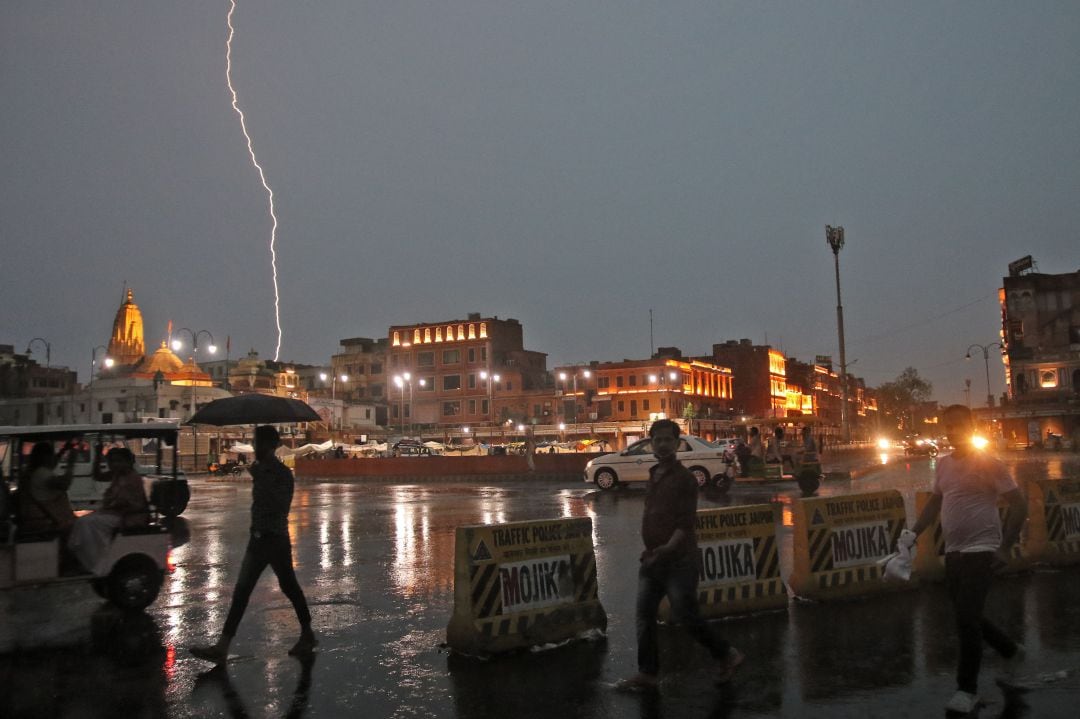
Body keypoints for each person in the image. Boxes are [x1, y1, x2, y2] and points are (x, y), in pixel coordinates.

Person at [903, 404, 1027, 714]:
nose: (952, 431)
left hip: (983, 549)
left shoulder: (989, 463)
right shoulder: (943, 465)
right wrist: (912, 534)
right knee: (965, 614)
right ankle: (1010, 650)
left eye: (959, 425)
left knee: (966, 619)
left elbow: (1019, 505)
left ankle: (966, 689)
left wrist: (1005, 547)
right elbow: (935, 503)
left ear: (972, 427)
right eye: (948, 426)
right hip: (954, 552)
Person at [617, 419, 743, 691]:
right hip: (653, 558)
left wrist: (666, 548)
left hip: (679, 560)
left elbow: (685, 524)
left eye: (667, 439)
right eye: (657, 439)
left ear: (677, 443)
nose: (662, 444)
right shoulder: (654, 473)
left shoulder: (685, 478)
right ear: (651, 443)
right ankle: (648, 673)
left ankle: (726, 654)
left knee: (686, 615)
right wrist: (652, 549)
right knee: (644, 615)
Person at [190, 425, 316, 663]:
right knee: (242, 592)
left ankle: (307, 633)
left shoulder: (280, 473)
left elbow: (280, 505)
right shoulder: (259, 470)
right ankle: (223, 646)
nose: (254, 447)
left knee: (289, 587)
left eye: (257, 443)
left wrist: (263, 480)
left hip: (275, 539)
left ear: (269, 446)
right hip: (257, 539)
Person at [68, 446, 151, 571]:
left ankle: (98, 561)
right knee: (81, 521)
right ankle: (82, 557)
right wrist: (97, 455)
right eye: (112, 462)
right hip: (116, 513)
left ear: (128, 462)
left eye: (119, 461)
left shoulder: (132, 478)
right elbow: (98, 476)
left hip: (129, 516)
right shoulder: (118, 474)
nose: (114, 464)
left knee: (88, 523)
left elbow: (124, 502)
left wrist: (108, 506)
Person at [17, 441, 76, 537]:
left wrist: (63, 450)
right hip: (50, 521)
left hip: (46, 518)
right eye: (51, 454)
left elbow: (52, 464)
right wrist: (71, 464)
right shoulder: (41, 473)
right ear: (45, 457)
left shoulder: (35, 471)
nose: (53, 457)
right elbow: (64, 484)